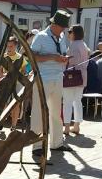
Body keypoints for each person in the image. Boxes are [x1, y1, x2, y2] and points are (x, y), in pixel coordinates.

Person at [29, 10, 72, 156]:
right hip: (43, 78)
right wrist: (53, 57)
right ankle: (36, 146)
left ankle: (56, 143)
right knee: (38, 112)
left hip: (58, 77)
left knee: (56, 112)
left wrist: (64, 58)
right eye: (62, 26)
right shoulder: (41, 36)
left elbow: (62, 54)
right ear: (53, 24)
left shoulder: (61, 37)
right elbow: (32, 56)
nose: (64, 29)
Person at [63, 25, 89, 135]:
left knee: (67, 102)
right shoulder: (83, 44)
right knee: (77, 101)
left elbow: (70, 61)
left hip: (72, 75)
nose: (68, 33)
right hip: (82, 75)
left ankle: (67, 127)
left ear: (74, 33)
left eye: (70, 31)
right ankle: (77, 126)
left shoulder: (73, 45)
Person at [3, 35, 29, 128]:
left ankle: (13, 126)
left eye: (11, 46)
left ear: (15, 46)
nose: (9, 48)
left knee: (16, 104)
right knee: (2, 103)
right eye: (8, 46)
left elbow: (23, 72)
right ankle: (3, 120)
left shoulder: (20, 58)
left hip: (17, 83)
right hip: (6, 82)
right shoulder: (3, 56)